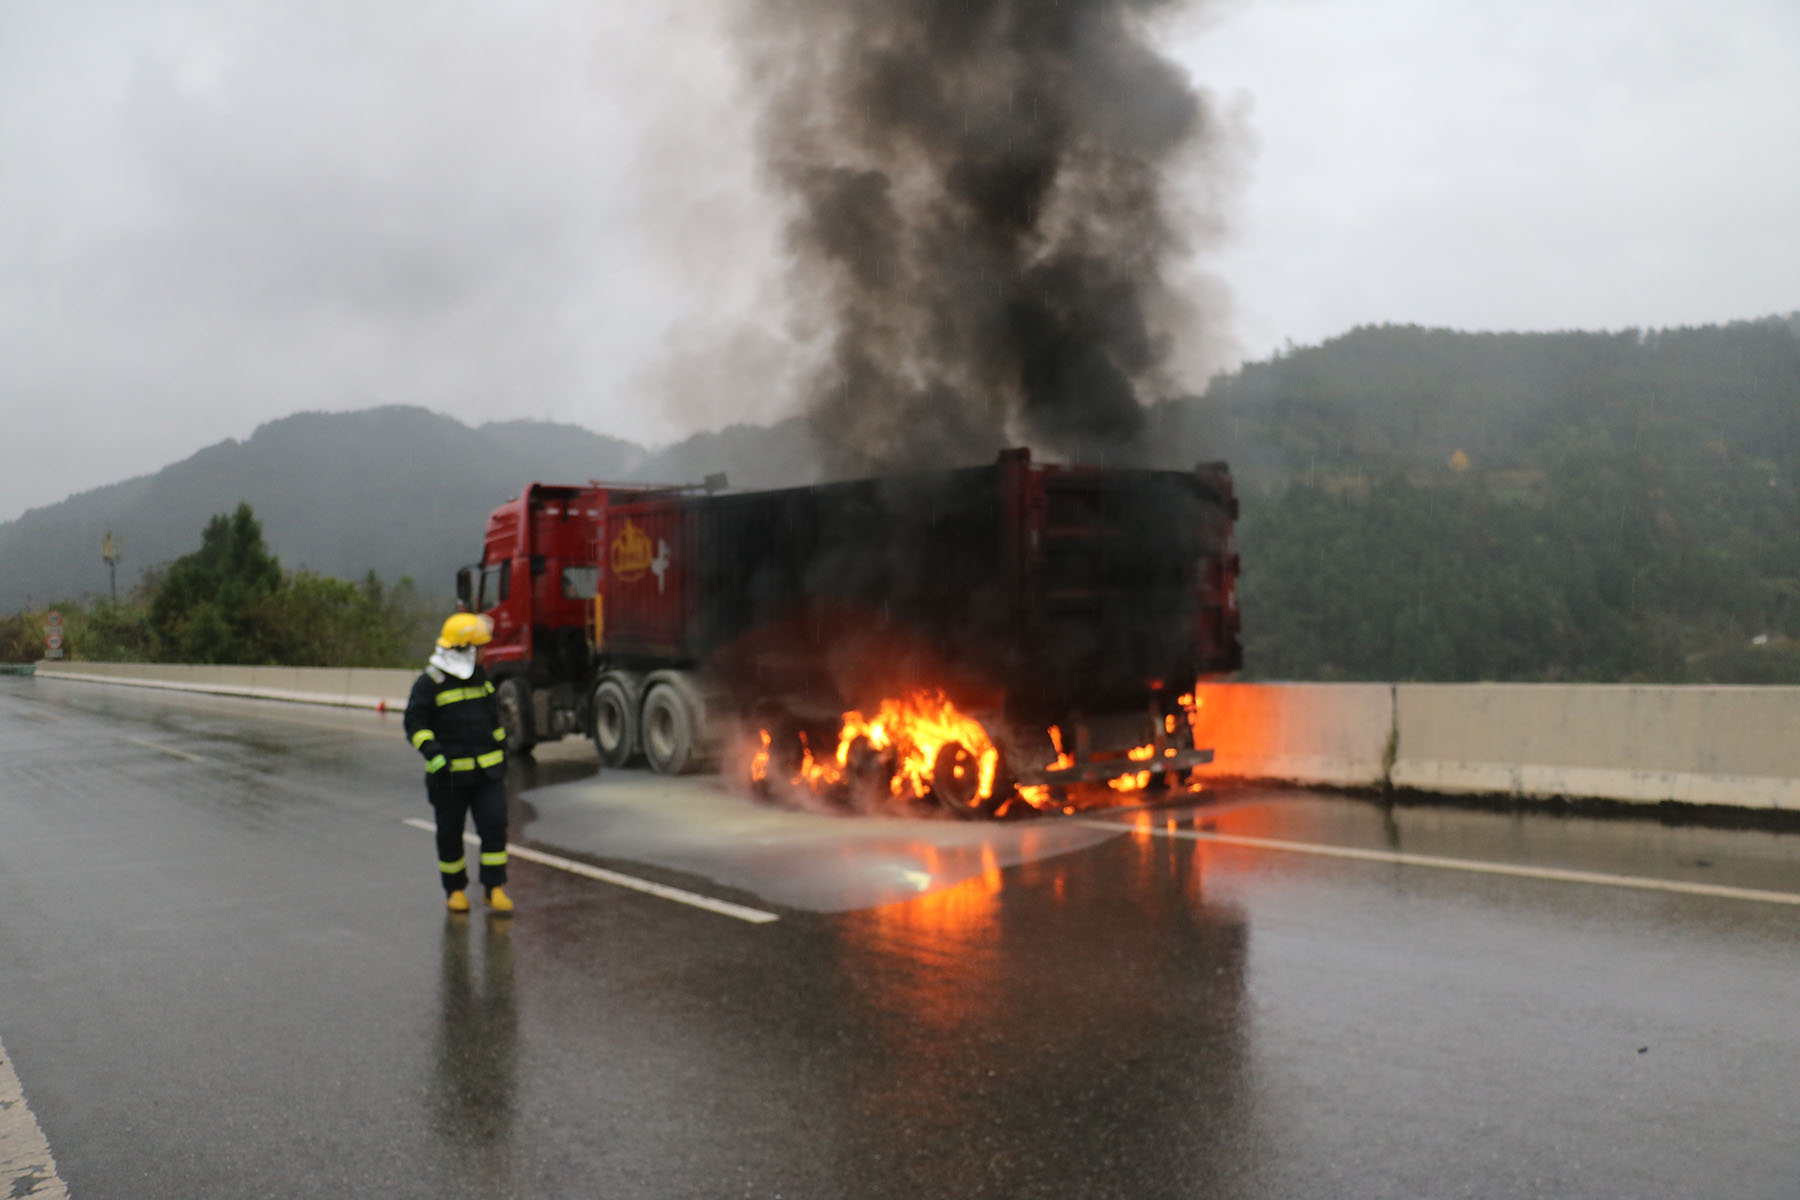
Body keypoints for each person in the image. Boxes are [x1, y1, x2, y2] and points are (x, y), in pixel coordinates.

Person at [405, 613, 513, 913]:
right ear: (463, 648)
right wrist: (434, 754)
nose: (484, 654)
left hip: (486, 775)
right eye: (479, 648)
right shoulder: (430, 683)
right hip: (449, 777)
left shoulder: (482, 681)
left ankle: (494, 888)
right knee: (450, 834)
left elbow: (494, 722)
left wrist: (502, 751)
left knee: (494, 827)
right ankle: (455, 890)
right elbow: (415, 723)